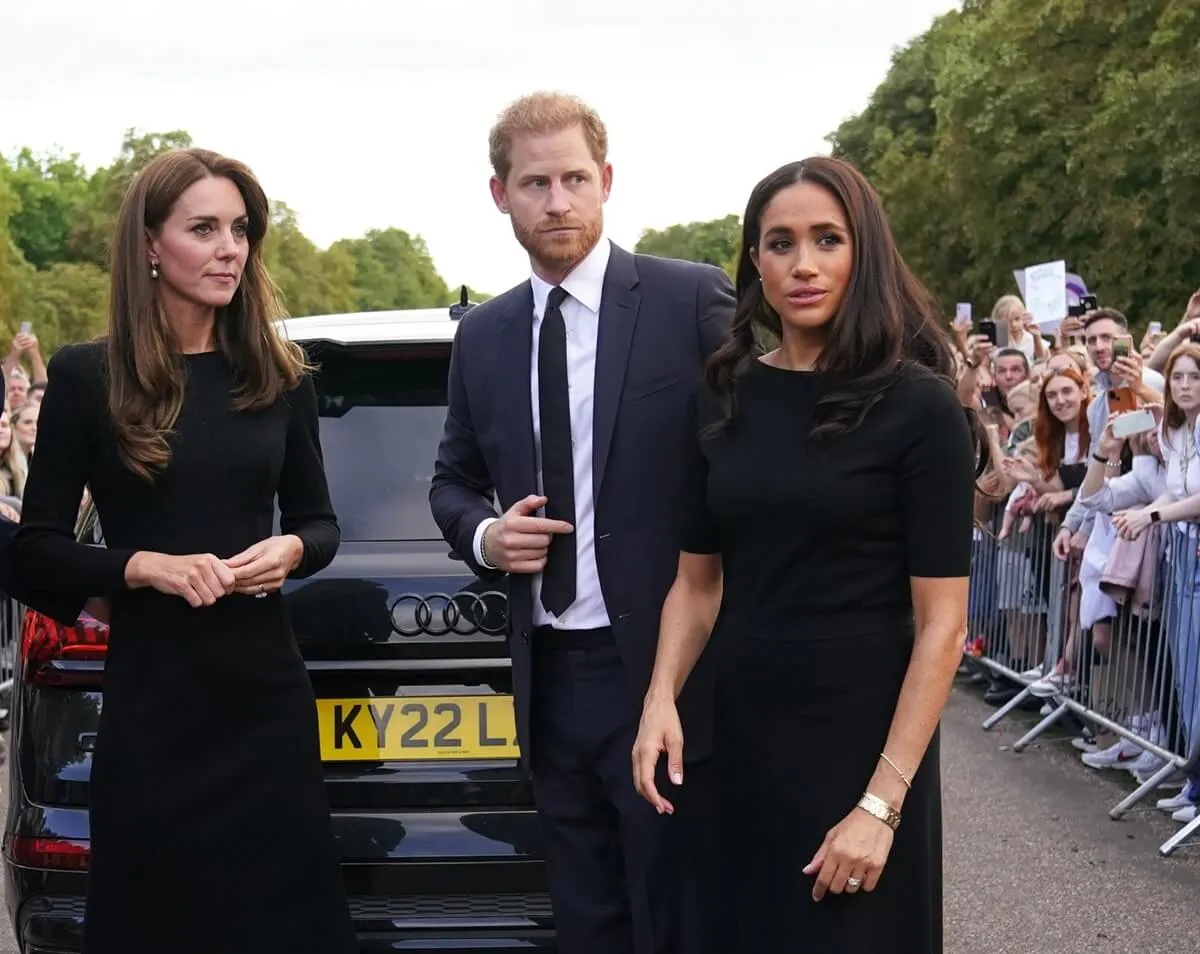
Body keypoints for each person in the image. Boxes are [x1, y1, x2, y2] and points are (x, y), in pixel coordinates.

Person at [631, 157, 981, 953]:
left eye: (828, 239)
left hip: (865, 745)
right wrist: (660, 699)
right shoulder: (721, 396)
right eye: (780, 243)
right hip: (744, 744)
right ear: (755, 260)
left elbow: (942, 625)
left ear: (864, 252)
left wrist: (881, 805)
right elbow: (696, 585)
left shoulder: (918, 406)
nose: (805, 264)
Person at [14, 148, 355, 954]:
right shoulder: (88, 376)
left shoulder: (278, 374)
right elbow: (31, 554)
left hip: (265, 701)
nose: (230, 247)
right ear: (150, 246)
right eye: (204, 228)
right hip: (155, 709)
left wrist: (293, 551)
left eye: (240, 230)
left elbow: (321, 523)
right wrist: (143, 566)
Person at [429, 91, 735, 954]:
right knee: (586, 918)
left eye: (572, 178)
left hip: (663, 671)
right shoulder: (483, 335)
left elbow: (754, 455)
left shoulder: (690, 300)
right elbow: (452, 479)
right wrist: (487, 537)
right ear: (500, 195)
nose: (556, 200)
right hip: (547, 671)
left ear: (606, 181)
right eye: (534, 183)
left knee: (675, 914)